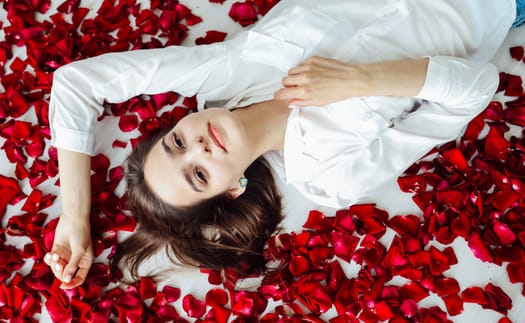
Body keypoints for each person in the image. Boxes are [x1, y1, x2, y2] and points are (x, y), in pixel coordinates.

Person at [44, 0, 518, 289]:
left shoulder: (229, 70)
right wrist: (361, 79)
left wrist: (74, 214)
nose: (199, 148)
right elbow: (478, 86)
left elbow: (75, 84)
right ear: (232, 190)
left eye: (177, 143)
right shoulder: (330, 176)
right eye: (199, 174)